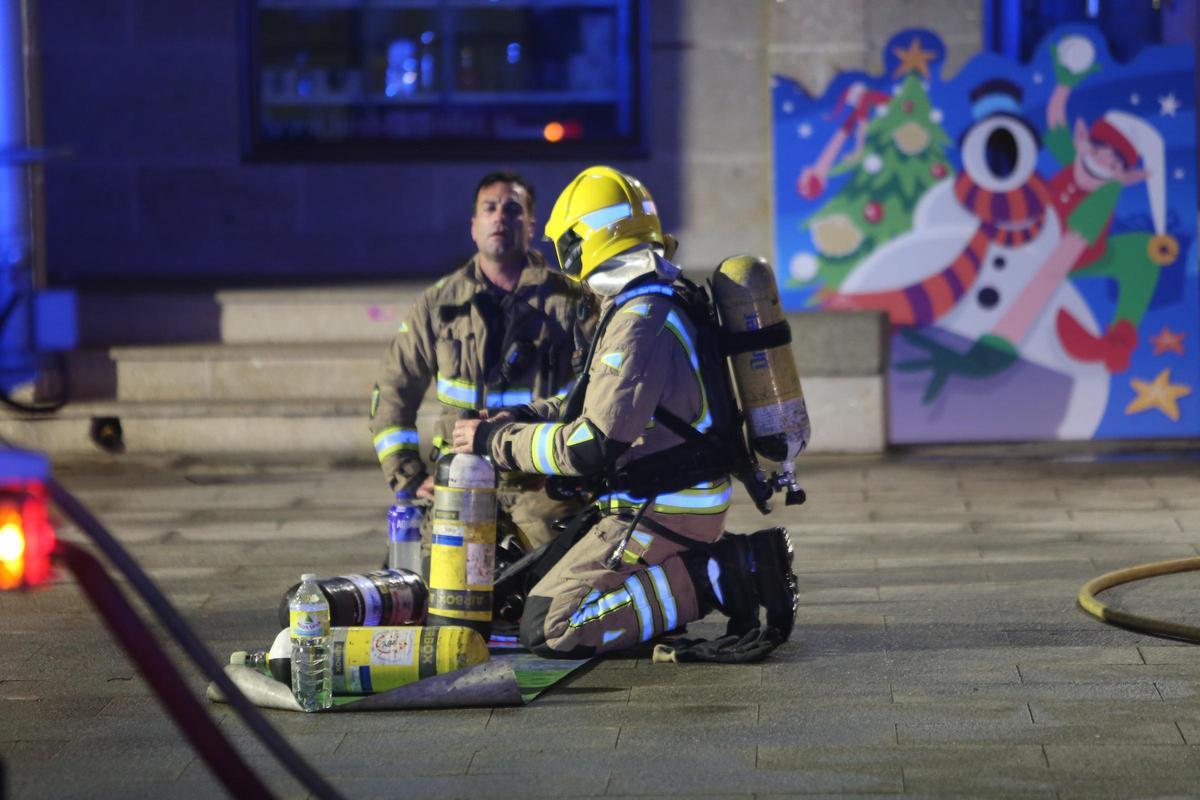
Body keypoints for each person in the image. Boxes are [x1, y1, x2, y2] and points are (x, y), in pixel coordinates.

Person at [452, 166, 797, 661]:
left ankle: (724, 575)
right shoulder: (646, 298)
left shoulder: (640, 320)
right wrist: (518, 418)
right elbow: (594, 399)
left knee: (551, 626)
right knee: (516, 593)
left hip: (661, 509)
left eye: (566, 242)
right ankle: (697, 575)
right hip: (662, 497)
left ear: (586, 239)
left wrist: (494, 445)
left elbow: (590, 444)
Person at [368, 171, 592, 556]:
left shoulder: (571, 301)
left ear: (531, 225)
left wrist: (581, 470)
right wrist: (408, 475)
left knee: (564, 580)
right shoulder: (439, 304)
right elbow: (393, 391)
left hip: (539, 483)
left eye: (513, 208)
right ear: (474, 226)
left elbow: (598, 389)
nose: (500, 217)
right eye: (489, 208)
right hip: (459, 477)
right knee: (443, 588)